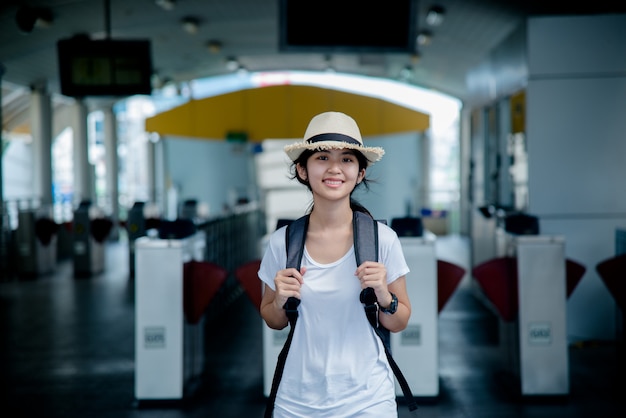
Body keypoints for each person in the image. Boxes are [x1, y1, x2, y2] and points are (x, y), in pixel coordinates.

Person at [258, 111, 412, 417]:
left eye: (347, 159)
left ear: (360, 172)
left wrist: (384, 295)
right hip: (296, 402)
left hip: (368, 400)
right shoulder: (282, 243)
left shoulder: (383, 240)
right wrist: (279, 301)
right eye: (322, 157)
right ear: (302, 170)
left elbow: (399, 320)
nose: (334, 169)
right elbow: (273, 319)